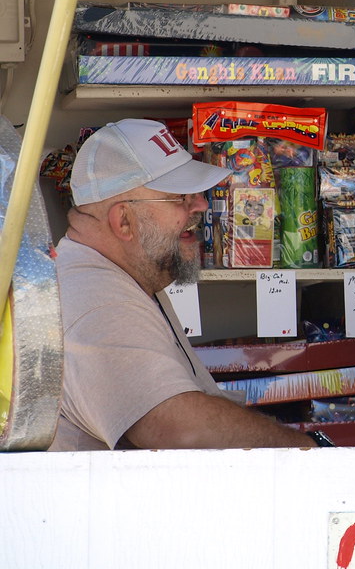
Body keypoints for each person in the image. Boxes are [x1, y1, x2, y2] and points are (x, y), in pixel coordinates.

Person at [48, 118, 319, 451]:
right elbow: (179, 429)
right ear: (123, 220)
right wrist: (308, 450)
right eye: (179, 197)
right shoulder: (97, 300)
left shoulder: (117, 275)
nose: (201, 205)